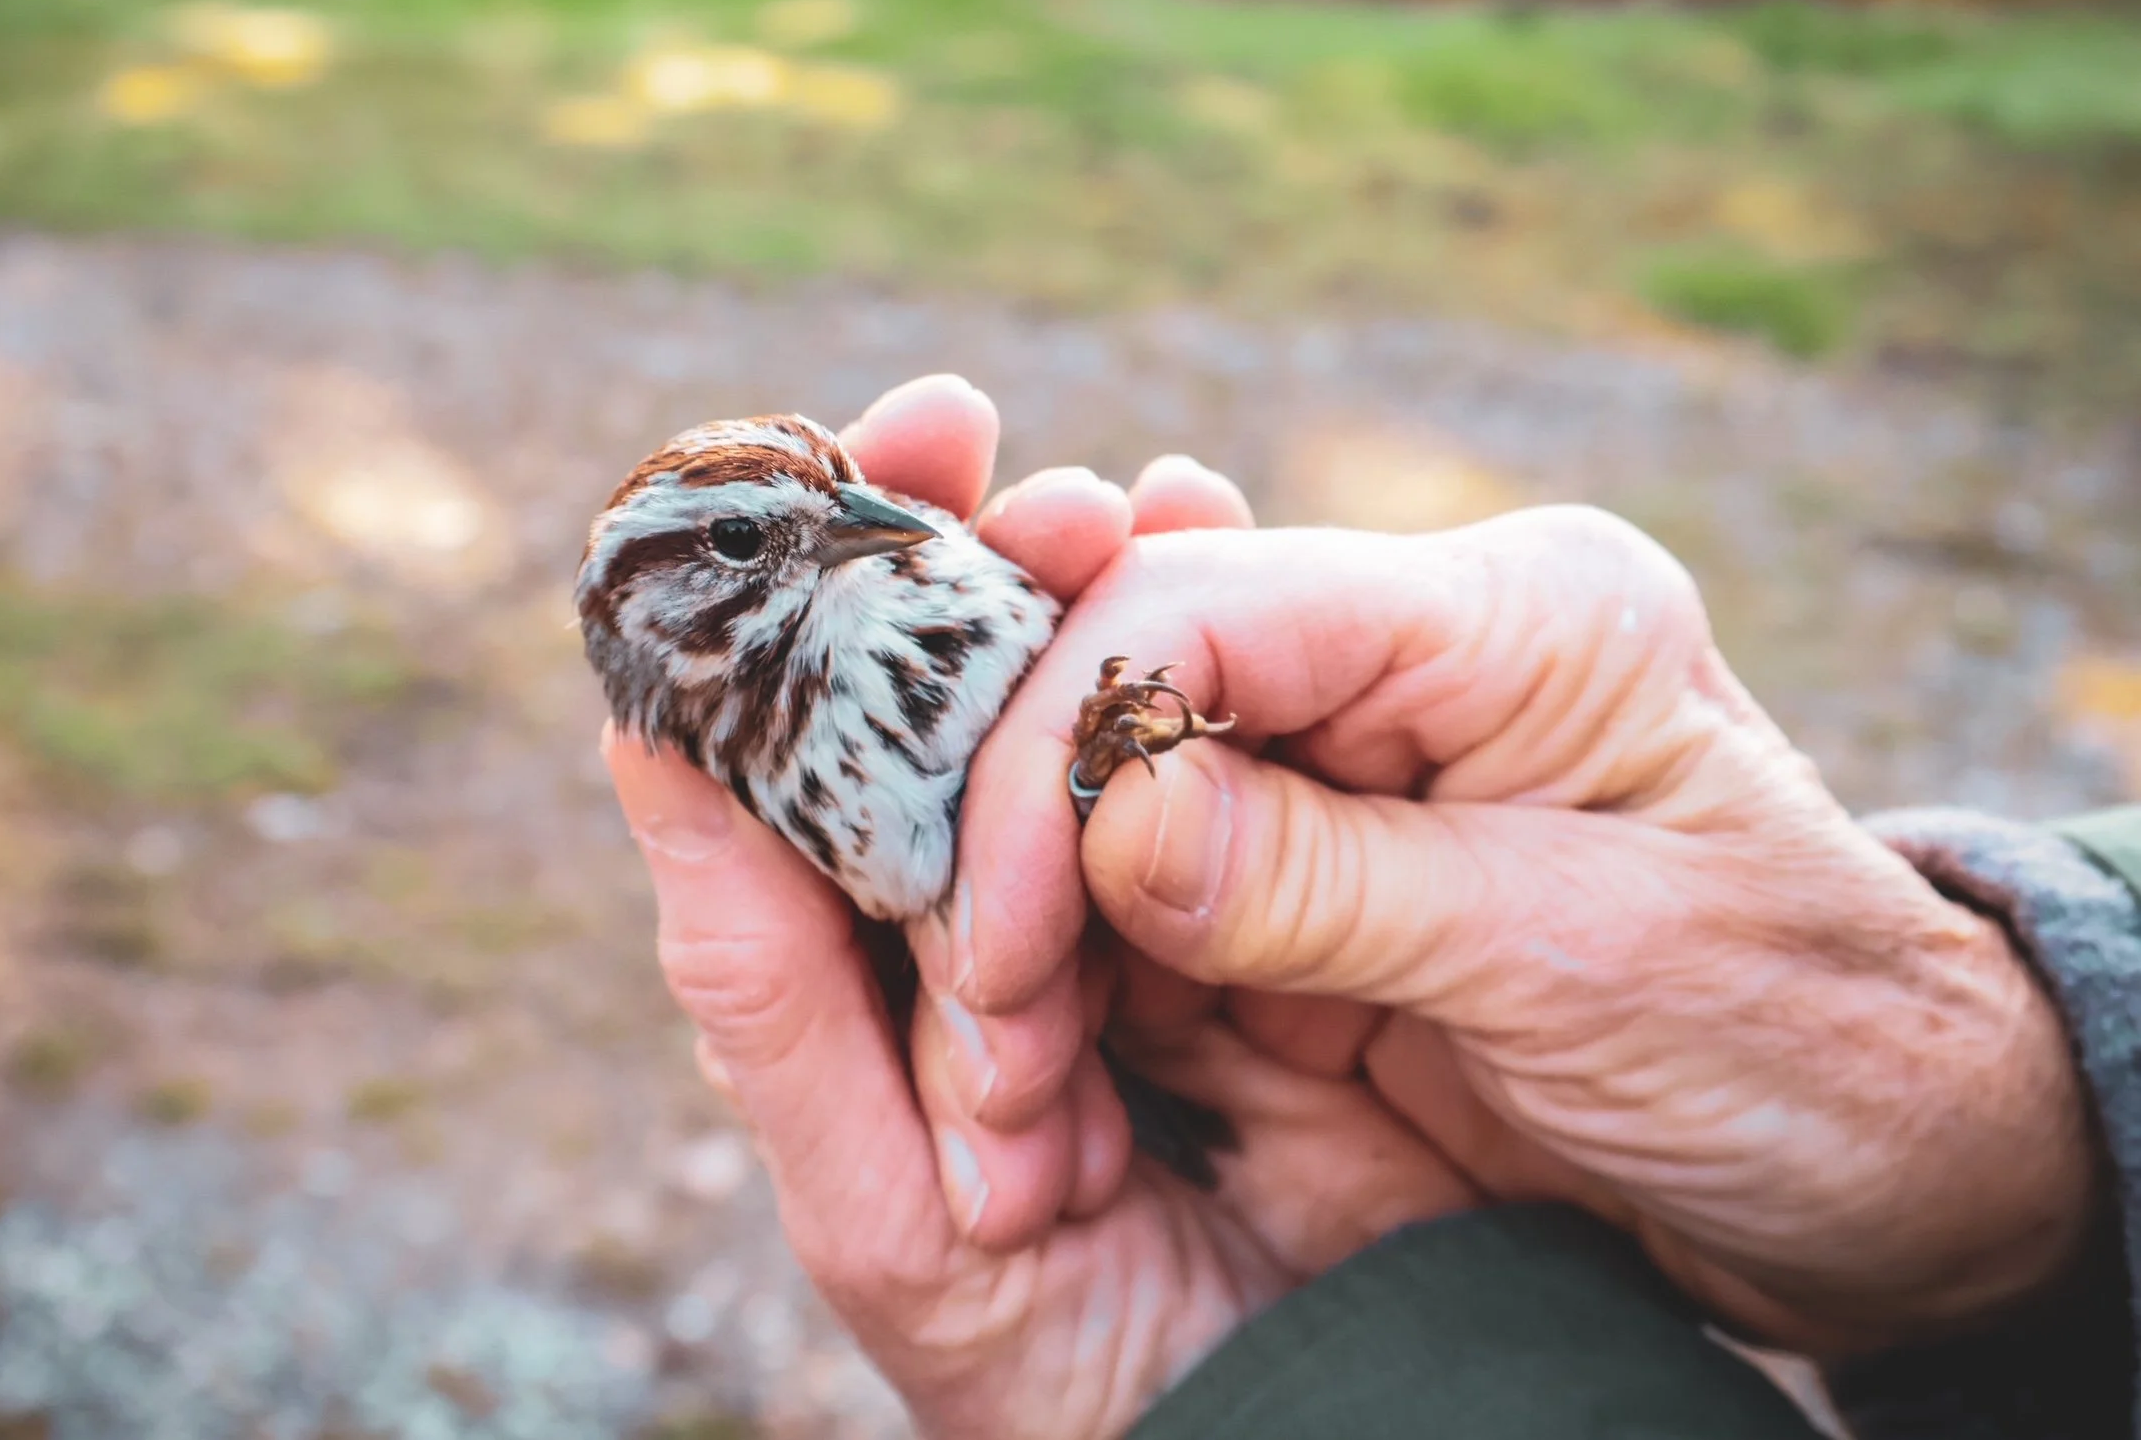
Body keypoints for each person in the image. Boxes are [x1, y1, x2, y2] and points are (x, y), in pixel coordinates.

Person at [602, 375, 2139, 1439]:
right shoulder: (741, 738)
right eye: (754, 543)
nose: (866, 525)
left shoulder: (917, 558)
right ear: (662, 613)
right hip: (1142, 1055)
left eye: (842, 499)